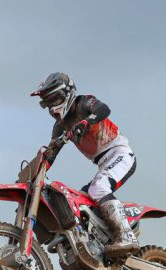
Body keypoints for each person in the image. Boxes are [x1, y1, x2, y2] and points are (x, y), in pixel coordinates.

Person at [31, 72, 139, 257]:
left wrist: (85, 122)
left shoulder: (85, 102)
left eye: (55, 98)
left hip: (121, 154)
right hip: (103, 163)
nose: (52, 105)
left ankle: (126, 235)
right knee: (79, 200)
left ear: (67, 94)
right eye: (48, 102)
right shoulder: (60, 126)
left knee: (99, 188)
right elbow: (51, 154)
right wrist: (36, 172)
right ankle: (99, 243)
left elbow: (104, 109)